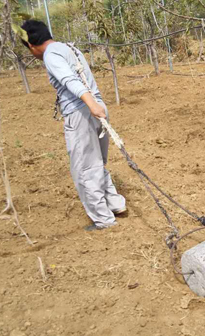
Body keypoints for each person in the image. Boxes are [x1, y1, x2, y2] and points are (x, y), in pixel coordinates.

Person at [21, 20, 126, 231]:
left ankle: (103, 220)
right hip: (97, 108)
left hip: (82, 113)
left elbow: (70, 80)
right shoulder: (69, 47)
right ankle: (115, 204)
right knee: (96, 162)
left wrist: (90, 104)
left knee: (85, 169)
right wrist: (96, 105)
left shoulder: (50, 55)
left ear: (31, 46)